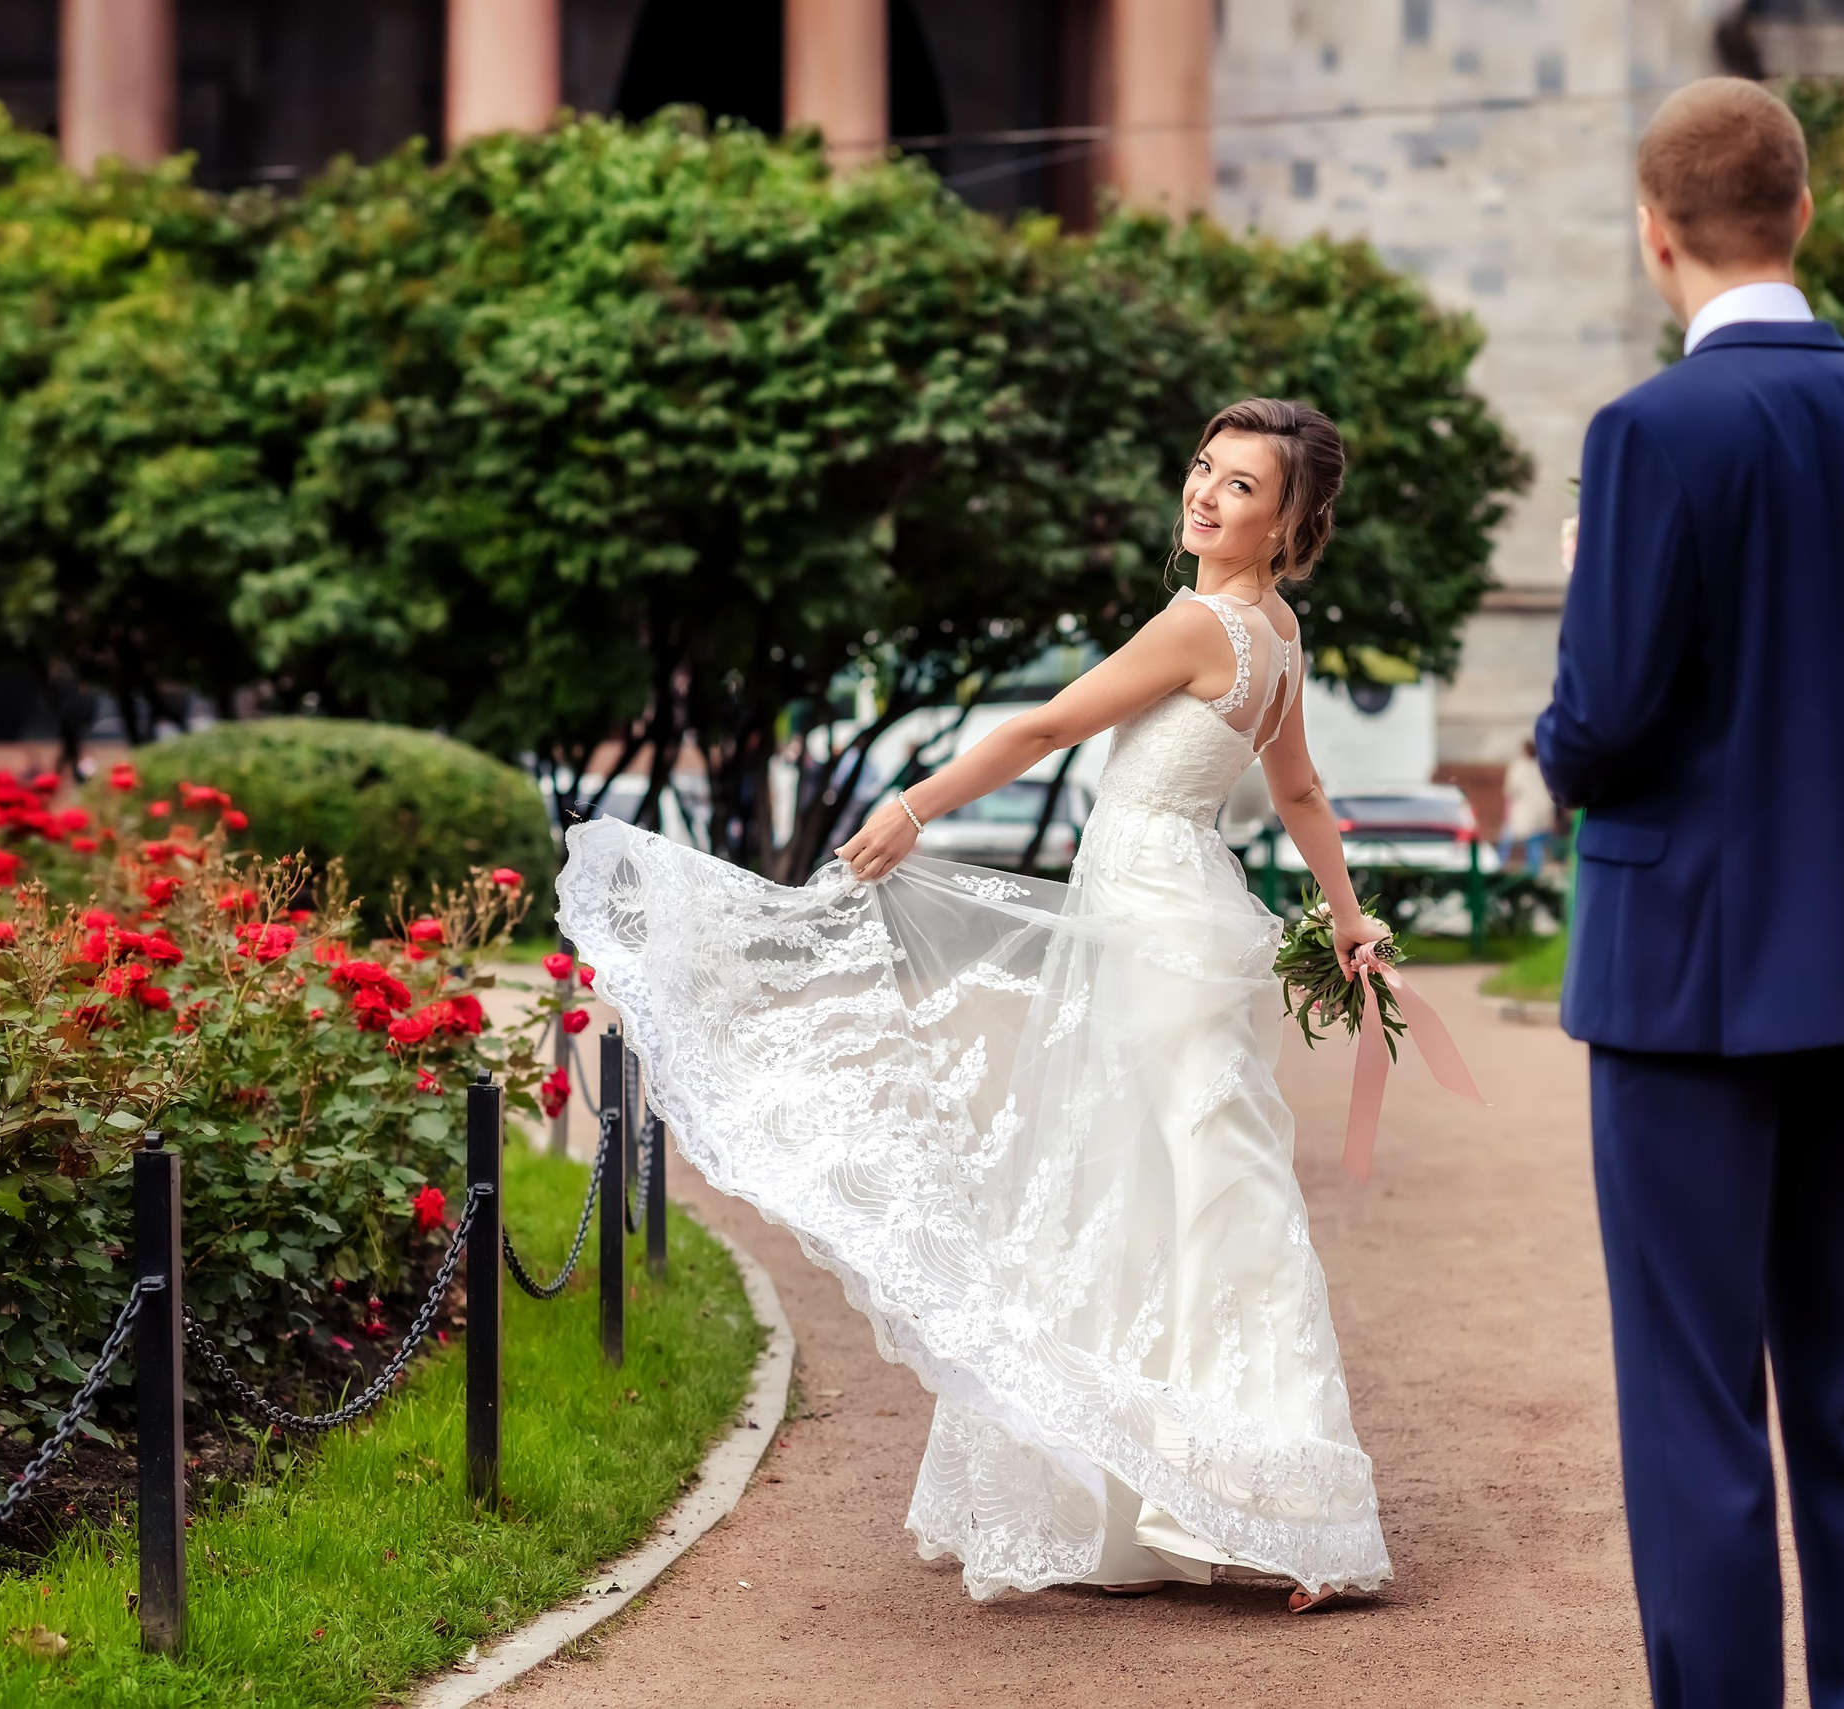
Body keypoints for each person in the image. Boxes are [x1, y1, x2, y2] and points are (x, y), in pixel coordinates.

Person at [559, 398, 1396, 1613]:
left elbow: (1056, 723)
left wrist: (915, 804)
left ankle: (1279, 1505)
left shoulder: (1205, 619)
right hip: (1182, 908)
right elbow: (1303, 790)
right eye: (1203, 471)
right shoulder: (1278, 630)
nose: (1206, 497)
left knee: (1200, 1184)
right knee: (1148, 1186)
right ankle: (1165, 1497)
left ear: (1290, 520)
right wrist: (1350, 911)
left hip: (1158, 922)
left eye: (1242, 487)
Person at [1533, 79, 1844, 1708]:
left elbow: (1600, 725)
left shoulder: (1646, 434)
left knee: (1695, 1403)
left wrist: (1566, 696)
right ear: (1803, 213)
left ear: (1655, 234)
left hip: (1679, 976)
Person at [1498, 737, 1554, 872]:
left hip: (1524, 813)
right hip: (1543, 812)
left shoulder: (1519, 766)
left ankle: (1498, 868)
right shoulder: (1542, 765)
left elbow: (1510, 792)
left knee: (1506, 841)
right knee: (1535, 846)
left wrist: (1507, 813)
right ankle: (1534, 875)